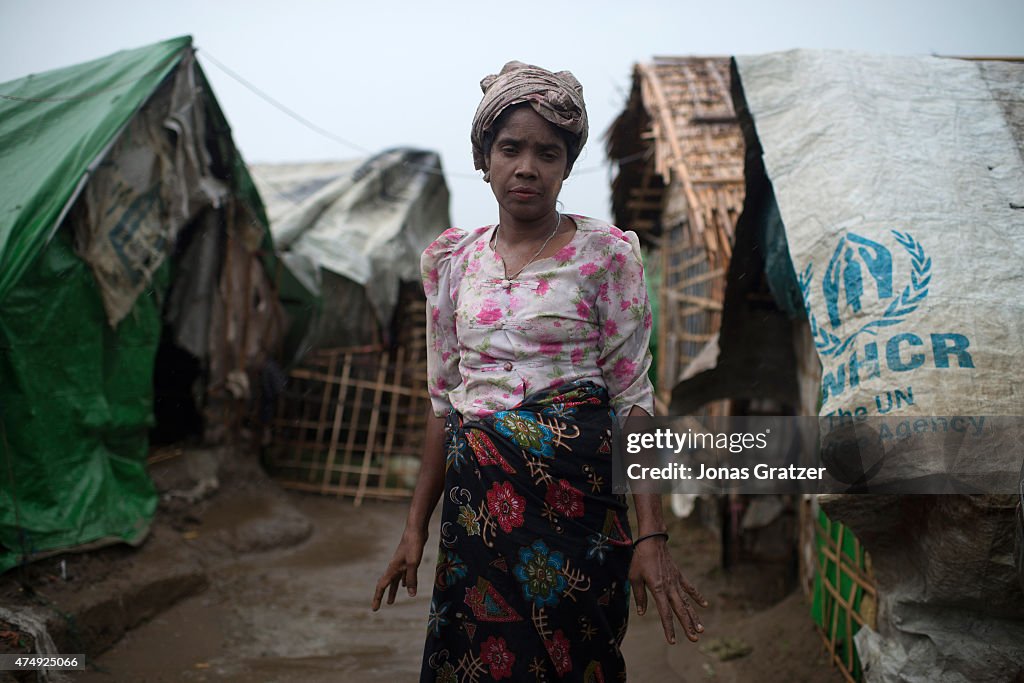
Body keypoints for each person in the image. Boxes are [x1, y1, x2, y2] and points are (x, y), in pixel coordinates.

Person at [372, 60, 707, 681]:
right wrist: (414, 529)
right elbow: (445, 403)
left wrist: (650, 534)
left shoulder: (607, 255)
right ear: (484, 158)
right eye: (510, 148)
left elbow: (634, 398)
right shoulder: (452, 263)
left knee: (576, 663)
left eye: (547, 152)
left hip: (578, 510)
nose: (527, 166)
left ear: (567, 164)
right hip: (478, 519)